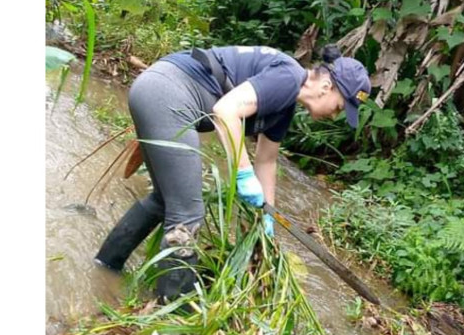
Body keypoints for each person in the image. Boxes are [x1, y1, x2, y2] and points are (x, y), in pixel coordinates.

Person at [94, 44, 371, 302]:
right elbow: (225, 111)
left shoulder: (285, 105)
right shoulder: (288, 77)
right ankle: (174, 311)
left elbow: (267, 160)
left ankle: (105, 266)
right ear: (326, 86)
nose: (336, 115)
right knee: (187, 214)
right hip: (167, 95)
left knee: (166, 200)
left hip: (157, 91)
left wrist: (267, 217)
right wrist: (242, 174)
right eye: (339, 106)